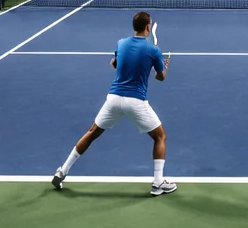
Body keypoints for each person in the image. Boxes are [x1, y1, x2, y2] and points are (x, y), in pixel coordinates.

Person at [51, 11, 177, 196]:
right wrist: (164, 66)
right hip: (136, 101)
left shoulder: (121, 43)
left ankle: (62, 172)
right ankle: (158, 183)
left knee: (92, 132)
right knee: (160, 137)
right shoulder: (153, 51)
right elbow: (160, 78)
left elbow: (115, 64)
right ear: (148, 27)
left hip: (114, 99)